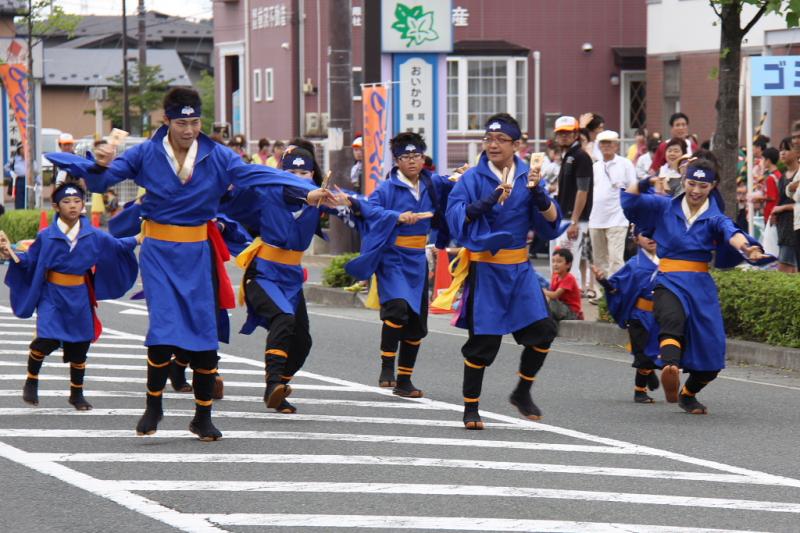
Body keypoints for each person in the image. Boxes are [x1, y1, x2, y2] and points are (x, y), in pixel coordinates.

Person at [44, 87, 313, 441]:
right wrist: (100, 163)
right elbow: (102, 181)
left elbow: (256, 175)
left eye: (195, 121)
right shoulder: (146, 153)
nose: (189, 129)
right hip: (158, 251)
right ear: (167, 121)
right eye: (182, 122)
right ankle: (153, 405)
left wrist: (304, 188)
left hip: (198, 253)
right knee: (165, 329)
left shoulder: (217, 155)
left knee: (204, 333)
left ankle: (203, 416)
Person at [432, 112, 563, 429]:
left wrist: (538, 193)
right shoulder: (472, 179)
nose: (493, 145)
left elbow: (552, 223)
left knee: (544, 331)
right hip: (486, 270)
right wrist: (489, 200)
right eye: (488, 139)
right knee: (483, 343)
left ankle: (522, 391)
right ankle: (471, 407)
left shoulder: (527, 176)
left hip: (519, 270)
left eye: (501, 140)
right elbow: (455, 218)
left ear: (517, 145)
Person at [621, 157, 772, 414]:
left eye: (703, 186)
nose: (696, 191)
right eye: (691, 183)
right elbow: (630, 200)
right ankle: (670, 368)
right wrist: (647, 180)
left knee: (712, 357)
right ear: (684, 181)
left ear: (712, 187)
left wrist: (748, 248)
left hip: (700, 285)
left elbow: (731, 233)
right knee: (671, 320)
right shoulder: (663, 207)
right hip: (668, 279)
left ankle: (688, 393)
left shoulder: (714, 217)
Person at [0, 182, 139, 411]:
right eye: (66, 202)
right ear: (55, 206)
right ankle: (31, 381)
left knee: (80, 346)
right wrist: (12, 254)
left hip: (79, 295)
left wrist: (141, 237)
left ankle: (77, 394)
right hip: (52, 295)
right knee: (45, 340)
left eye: (77, 201)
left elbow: (117, 246)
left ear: (82, 205)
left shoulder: (94, 235)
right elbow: (32, 259)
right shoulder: (47, 235)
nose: (73, 206)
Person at [345, 131, 454, 397]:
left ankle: (405, 380)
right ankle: (386, 367)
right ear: (396, 161)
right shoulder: (386, 188)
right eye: (406, 157)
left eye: (416, 155)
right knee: (397, 309)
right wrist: (397, 216)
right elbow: (370, 210)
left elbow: (454, 186)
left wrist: (462, 175)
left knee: (417, 322)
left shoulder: (431, 183)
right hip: (393, 257)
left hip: (418, 259)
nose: (413, 161)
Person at [235, 145, 339, 413]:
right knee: (284, 318)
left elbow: (353, 205)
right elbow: (290, 192)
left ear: (313, 173)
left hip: (291, 277)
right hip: (264, 273)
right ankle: (271, 385)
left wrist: (360, 206)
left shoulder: (319, 197)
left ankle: (279, 388)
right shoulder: (271, 190)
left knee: (302, 341)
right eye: (291, 171)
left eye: (304, 171)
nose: (298, 176)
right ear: (281, 173)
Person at [593, 230, 662, 403]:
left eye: (654, 233)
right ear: (636, 239)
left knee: (655, 352)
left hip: (660, 315)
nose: (651, 237)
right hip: (639, 315)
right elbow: (616, 287)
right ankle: (640, 391)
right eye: (645, 234)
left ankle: (649, 370)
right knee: (643, 354)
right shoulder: (634, 264)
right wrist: (603, 281)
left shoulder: (668, 261)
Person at [588, 130, 636, 289]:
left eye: (610, 143)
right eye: (603, 143)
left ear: (616, 145)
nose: (606, 146)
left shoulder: (625, 164)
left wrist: (633, 216)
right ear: (599, 146)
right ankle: (602, 296)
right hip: (596, 218)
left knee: (616, 259)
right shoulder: (595, 167)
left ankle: (618, 291)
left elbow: (633, 188)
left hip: (618, 218)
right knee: (599, 259)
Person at [552, 115, 593, 289]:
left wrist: (575, 221)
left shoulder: (580, 156)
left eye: (568, 133)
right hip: (565, 218)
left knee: (568, 265)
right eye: (561, 133)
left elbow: (583, 190)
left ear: (576, 134)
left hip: (573, 220)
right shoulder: (567, 155)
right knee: (562, 263)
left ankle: (571, 309)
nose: (564, 136)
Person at [773, 138, 798, 273]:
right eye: (781, 149)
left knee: (784, 269)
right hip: (783, 226)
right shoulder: (783, 176)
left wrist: (781, 208)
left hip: (794, 227)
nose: (782, 153)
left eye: (787, 149)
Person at [544, 248, 583, 321]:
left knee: (550, 301)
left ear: (568, 265)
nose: (555, 264)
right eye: (553, 261)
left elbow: (555, 295)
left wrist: (543, 291)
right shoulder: (555, 276)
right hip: (562, 307)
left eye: (559, 261)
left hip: (572, 312)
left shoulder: (569, 278)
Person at [761, 147, 781, 222]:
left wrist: (758, 198)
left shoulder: (771, 178)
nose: (762, 162)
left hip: (771, 213)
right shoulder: (779, 174)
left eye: (763, 159)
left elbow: (771, 196)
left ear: (768, 160)